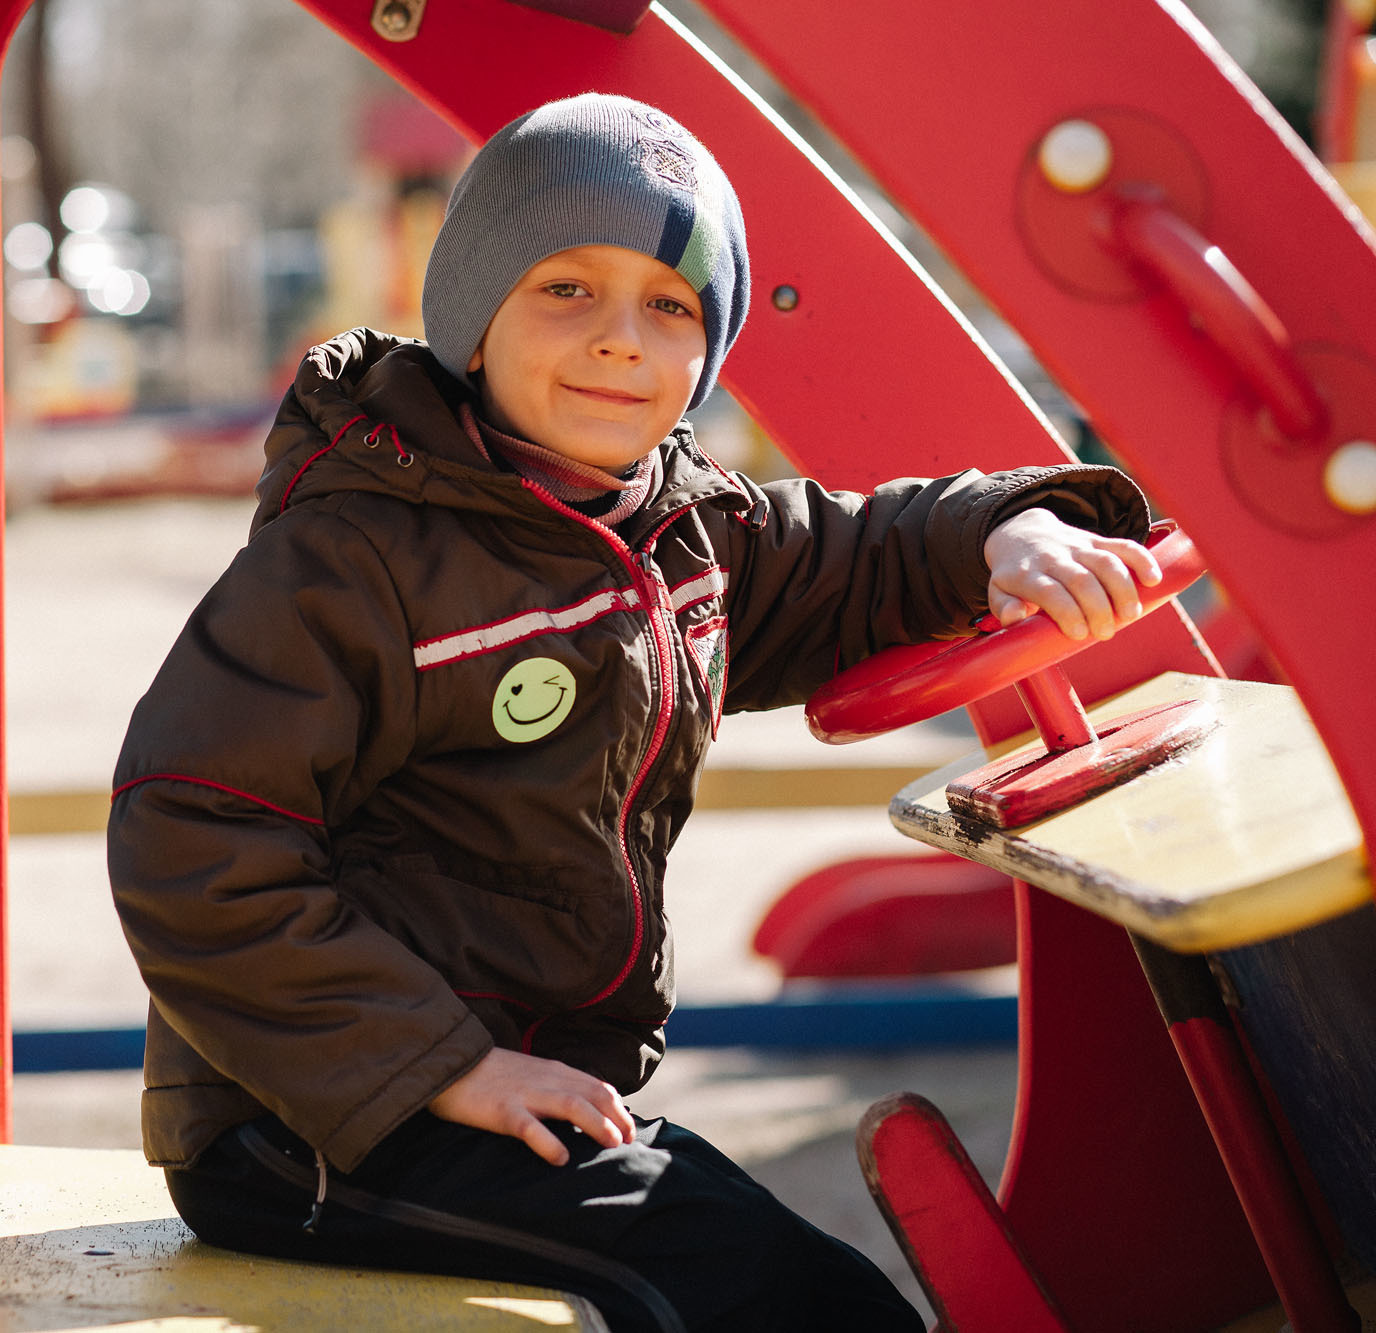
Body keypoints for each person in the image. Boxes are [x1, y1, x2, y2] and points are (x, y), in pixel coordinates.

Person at [107, 93, 1159, 1332]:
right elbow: (192, 833)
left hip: (521, 1084)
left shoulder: (675, 527)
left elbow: (858, 551)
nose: (619, 341)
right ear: (471, 318)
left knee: (754, 1258)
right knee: (767, 1293)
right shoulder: (355, 558)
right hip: (313, 1117)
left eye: (668, 307)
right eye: (565, 289)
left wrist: (1010, 526)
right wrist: (443, 1068)